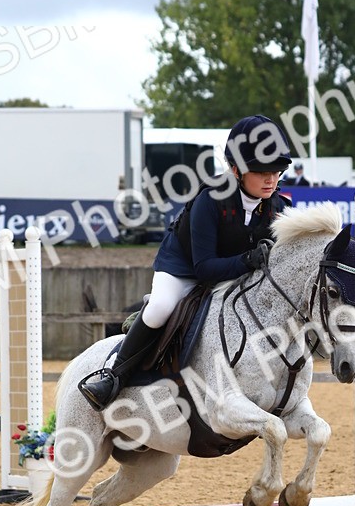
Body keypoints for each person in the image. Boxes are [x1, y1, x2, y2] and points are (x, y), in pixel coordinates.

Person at [79, 114, 293, 410]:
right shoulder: (210, 200)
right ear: (236, 170)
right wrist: (247, 260)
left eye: (277, 171)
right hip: (184, 268)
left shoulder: (278, 208)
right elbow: (204, 268)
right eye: (261, 171)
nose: (271, 179)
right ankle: (113, 374)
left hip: (235, 271)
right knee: (160, 308)